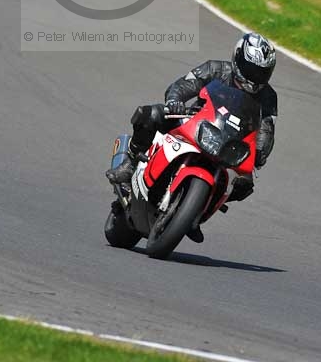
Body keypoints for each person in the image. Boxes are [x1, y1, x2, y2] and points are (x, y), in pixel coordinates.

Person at [106, 32, 277, 241]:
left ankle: (195, 211)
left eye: (261, 73)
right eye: (251, 69)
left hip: (231, 143)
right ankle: (131, 162)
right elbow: (183, 85)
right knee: (150, 114)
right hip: (195, 122)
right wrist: (174, 101)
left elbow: (267, 128)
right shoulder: (216, 68)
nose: (255, 77)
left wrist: (261, 152)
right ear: (238, 58)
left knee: (244, 184)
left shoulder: (268, 96)